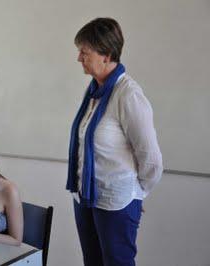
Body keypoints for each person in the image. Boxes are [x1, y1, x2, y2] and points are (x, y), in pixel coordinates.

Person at [66, 18, 163, 266]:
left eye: (84, 52)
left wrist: (136, 195)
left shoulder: (128, 94)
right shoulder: (94, 92)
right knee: (93, 262)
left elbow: (151, 159)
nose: (79, 58)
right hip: (85, 197)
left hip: (116, 202)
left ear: (106, 55)